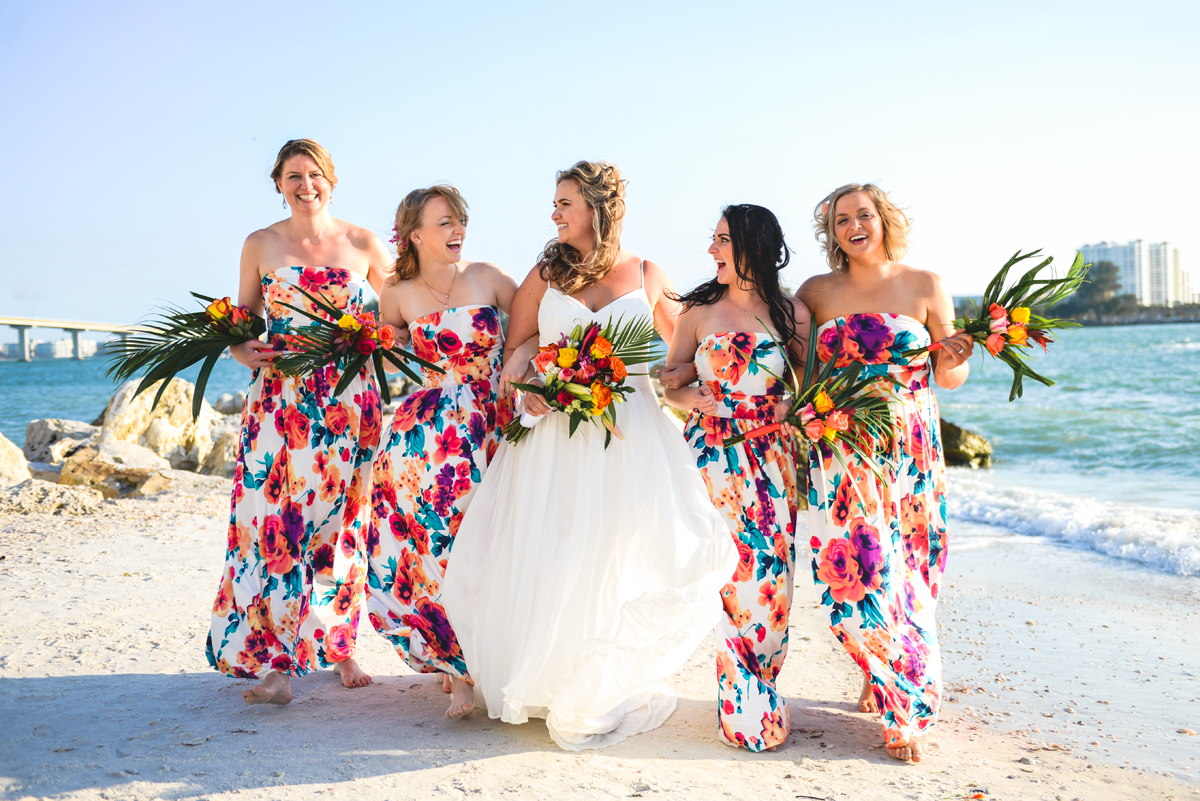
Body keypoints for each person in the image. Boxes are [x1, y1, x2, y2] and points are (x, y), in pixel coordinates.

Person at [439, 161, 738, 750]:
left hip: (631, 429)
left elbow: (679, 353)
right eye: (554, 204)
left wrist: (705, 392)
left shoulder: (649, 273)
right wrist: (534, 380)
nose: (554, 214)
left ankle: (593, 680)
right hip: (556, 431)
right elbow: (519, 343)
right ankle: (544, 677)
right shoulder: (547, 272)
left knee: (614, 552)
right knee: (558, 546)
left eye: (564, 203)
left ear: (597, 208)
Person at [794, 183, 974, 761]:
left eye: (863, 214)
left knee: (913, 567)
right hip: (846, 451)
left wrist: (952, 362)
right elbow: (802, 377)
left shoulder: (925, 285)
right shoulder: (816, 293)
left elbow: (949, 377)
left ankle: (885, 675)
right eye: (842, 219)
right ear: (833, 232)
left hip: (912, 451)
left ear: (883, 219)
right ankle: (906, 706)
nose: (853, 226)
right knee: (863, 571)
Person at [206, 139, 388, 705]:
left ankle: (338, 648)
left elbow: (395, 319)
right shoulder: (260, 243)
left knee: (342, 525)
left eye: (313, 174)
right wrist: (241, 352)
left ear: (331, 180)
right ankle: (278, 665)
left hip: (349, 403)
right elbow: (242, 320)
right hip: (279, 405)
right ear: (278, 184)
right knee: (277, 527)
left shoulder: (363, 243)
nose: (304, 184)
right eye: (293, 175)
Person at [364, 184, 534, 719]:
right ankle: (457, 669)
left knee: (487, 541)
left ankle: (485, 658)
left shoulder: (487, 276)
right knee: (434, 546)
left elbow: (536, 323)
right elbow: (385, 359)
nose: (457, 229)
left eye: (459, 219)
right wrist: (381, 345)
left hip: (488, 422)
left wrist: (522, 352)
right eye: (444, 222)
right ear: (414, 234)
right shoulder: (396, 294)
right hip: (424, 436)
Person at [663, 204, 809, 752]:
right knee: (723, 577)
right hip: (708, 458)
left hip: (770, 461)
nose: (711, 250)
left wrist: (787, 408)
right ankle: (737, 695)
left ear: (754, 247)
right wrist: (685, 393)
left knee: (769, 581)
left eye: (722, 240)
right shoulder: (698, 311)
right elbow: (671, 384)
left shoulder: (793, 312)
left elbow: (809, 391)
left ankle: (758, 685)